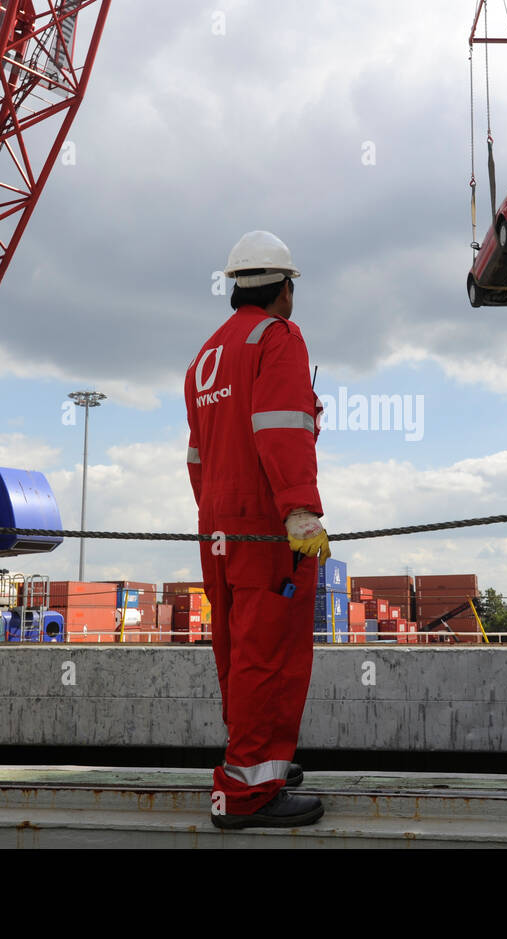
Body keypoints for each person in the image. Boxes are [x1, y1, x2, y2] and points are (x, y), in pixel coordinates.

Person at [184, 230, 331, 830]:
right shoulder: (278, 338)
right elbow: (284, 428)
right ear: (284, 288)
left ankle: (261, 765)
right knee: (269, 653)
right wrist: (300, 511)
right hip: (268, 526)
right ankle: (246, 793)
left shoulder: (205, 357)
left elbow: (196, 458)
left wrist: (219, 512)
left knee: (237, 651)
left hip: (216, 524)